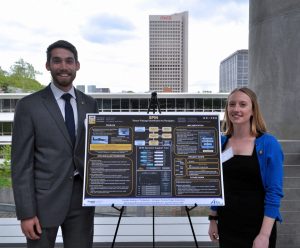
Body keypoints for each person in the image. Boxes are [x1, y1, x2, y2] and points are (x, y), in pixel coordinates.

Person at [11, 40, 98, 248]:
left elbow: (96, 153)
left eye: (69, 61)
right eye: (57, 61)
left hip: (81, 204)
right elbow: (21, 165)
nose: (63, 67)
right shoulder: (29, 106)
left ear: (77, 65)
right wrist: (26, 213)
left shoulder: (90, 104)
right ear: (48, 65)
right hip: (42, 204)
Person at [208, 87, 284, 248]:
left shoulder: (269, 144)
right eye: (231, 104)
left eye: (242, 104)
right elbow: (217, 185)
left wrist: (264, 235)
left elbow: (274, 192)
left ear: (252, 110)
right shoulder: (220, 143)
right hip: (227, 225)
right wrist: (212, 219)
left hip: (258, 227)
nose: (236, 109)